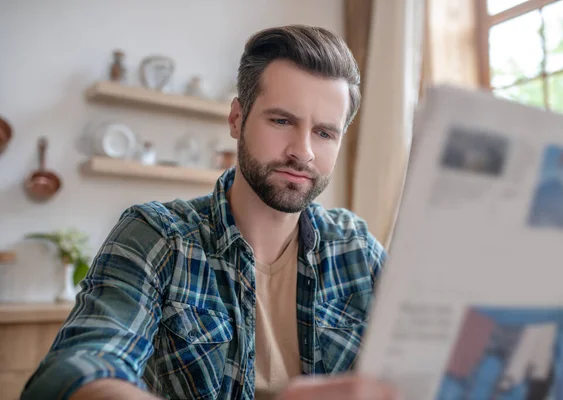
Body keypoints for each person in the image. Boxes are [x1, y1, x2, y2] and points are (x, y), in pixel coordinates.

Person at [21, 25, 399, 400]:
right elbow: (74, 369)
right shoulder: (157, 236)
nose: (303, 152)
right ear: (236, 119)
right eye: (282, 121)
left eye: (324, 133)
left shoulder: (357, 250)